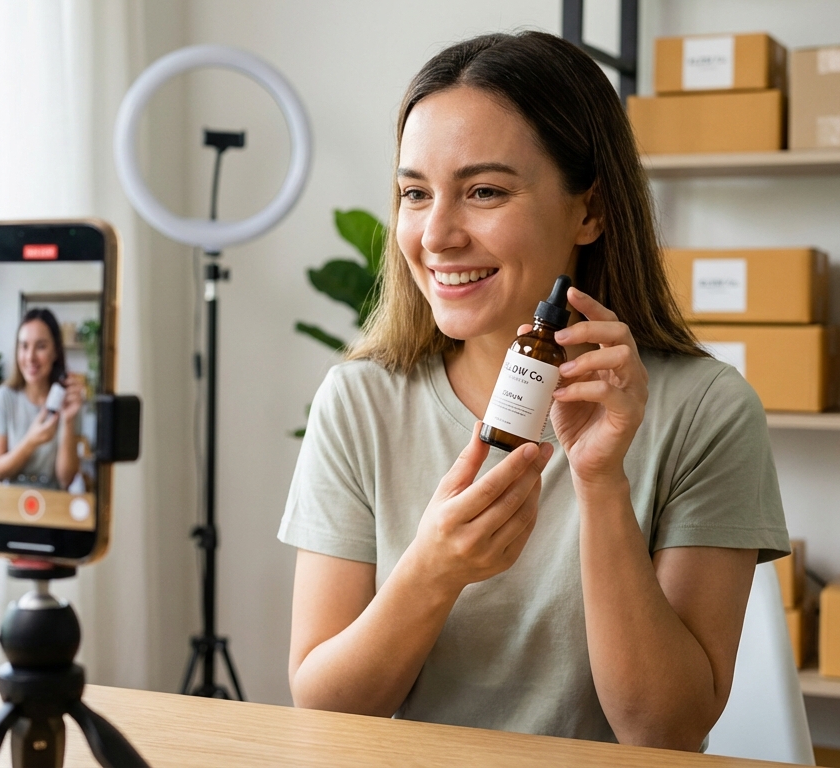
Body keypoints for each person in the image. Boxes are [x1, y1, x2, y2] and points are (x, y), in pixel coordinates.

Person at [278, 32, 790, 750]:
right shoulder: (362, 401)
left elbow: (665, 729)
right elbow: (327, 712)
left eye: (485, 191)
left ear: (590, 211)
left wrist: (602, 482)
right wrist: (431, 572)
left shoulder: (707, 410)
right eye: (415, 193)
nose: (436, 235)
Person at [0, 308, 86, 490]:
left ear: (55, 352)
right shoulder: (4, 397)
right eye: (24, 346)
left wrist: (68, 420)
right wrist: (31, 441)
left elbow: (66, 479)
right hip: (10, 504)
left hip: (53, 506)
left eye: (40, 346)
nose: (30, 357)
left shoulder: (68, 401)